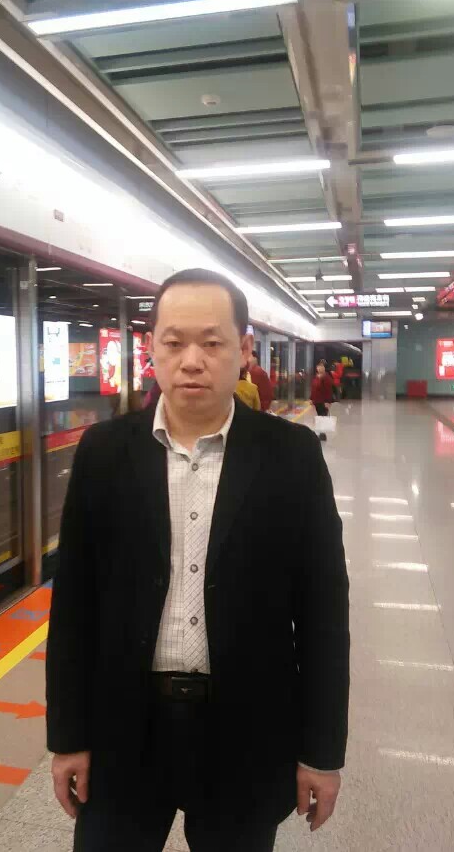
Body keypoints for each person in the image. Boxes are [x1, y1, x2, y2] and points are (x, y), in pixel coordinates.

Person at [47, 269, 349, 852]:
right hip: (124, 728)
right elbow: (75, 607)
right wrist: (67, 737)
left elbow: (323, 615)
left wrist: (321, 751)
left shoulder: (291, 457)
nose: (192, 361)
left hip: (245, 729)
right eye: (174, 342)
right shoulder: (103, 452)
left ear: (244, 350)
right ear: (151, 349)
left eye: (212, 343)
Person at [310, 362, 335, 441]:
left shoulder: (326, 377)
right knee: (320, 417)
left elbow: (328, 391)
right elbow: (313, 388)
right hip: (317, 401)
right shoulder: (316, 377)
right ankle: (321, 433)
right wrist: (311, 399)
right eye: (318, 367)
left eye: (321, 367)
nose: (319, 368)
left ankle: (322, 434)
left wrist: (328, 401)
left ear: (324, 368)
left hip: (323, 401)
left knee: (323, 417)